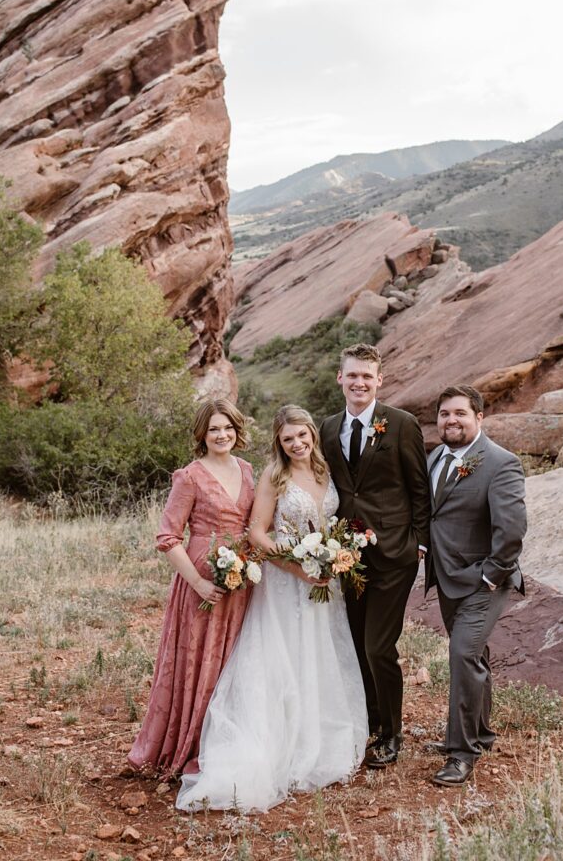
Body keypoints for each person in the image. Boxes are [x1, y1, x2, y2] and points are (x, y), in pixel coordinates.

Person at [176, 405, 368, 813]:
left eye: (302, 436)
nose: (297, 444)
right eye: (288, 439)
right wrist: (299, 560)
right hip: (286, 584)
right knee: (282, 661)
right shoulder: (273, 475)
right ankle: (276, 748)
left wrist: (330, 558)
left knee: (319, 658)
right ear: (278, 444)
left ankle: (318, 743)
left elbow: (330, 523)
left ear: (313, 434)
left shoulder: (325, 471)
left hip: (323, 581)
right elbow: (257, 535)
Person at [127, 398, 255, 776]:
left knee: (233, 658)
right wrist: (198, 582)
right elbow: (168, 537)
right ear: (202, 434)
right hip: (200, 580)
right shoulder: (191, 476)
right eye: (214, 428)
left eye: (228, 427)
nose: (222, 435)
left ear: (237, 431)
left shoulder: (247, 470)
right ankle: (188, 742)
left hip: (241, 580)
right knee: (199, 660)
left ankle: (224, 741)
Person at [319, 343, 431, 767]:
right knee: (355, 642)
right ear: (340, 379)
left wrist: (419, 542)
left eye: (367, 376)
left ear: (379, 381)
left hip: (394, 554)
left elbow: (419, 487)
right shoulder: (328, 428)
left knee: (378, 647)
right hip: (348, 556)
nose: (360, 382)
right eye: (353, 375)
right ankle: (367, 720)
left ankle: (392, 734)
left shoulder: (400, 424)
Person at [425, 384, 526, 786]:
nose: (451, 420)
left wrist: (491, 575)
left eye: (460, 414)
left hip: (484, 582)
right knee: (474, 656)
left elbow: (513, 528)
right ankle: (481, 734)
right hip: (448, 578)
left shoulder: (501, 463)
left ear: (479, 417)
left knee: (462, 656)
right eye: (445, 413)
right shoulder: (436, 457)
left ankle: (461, 754)